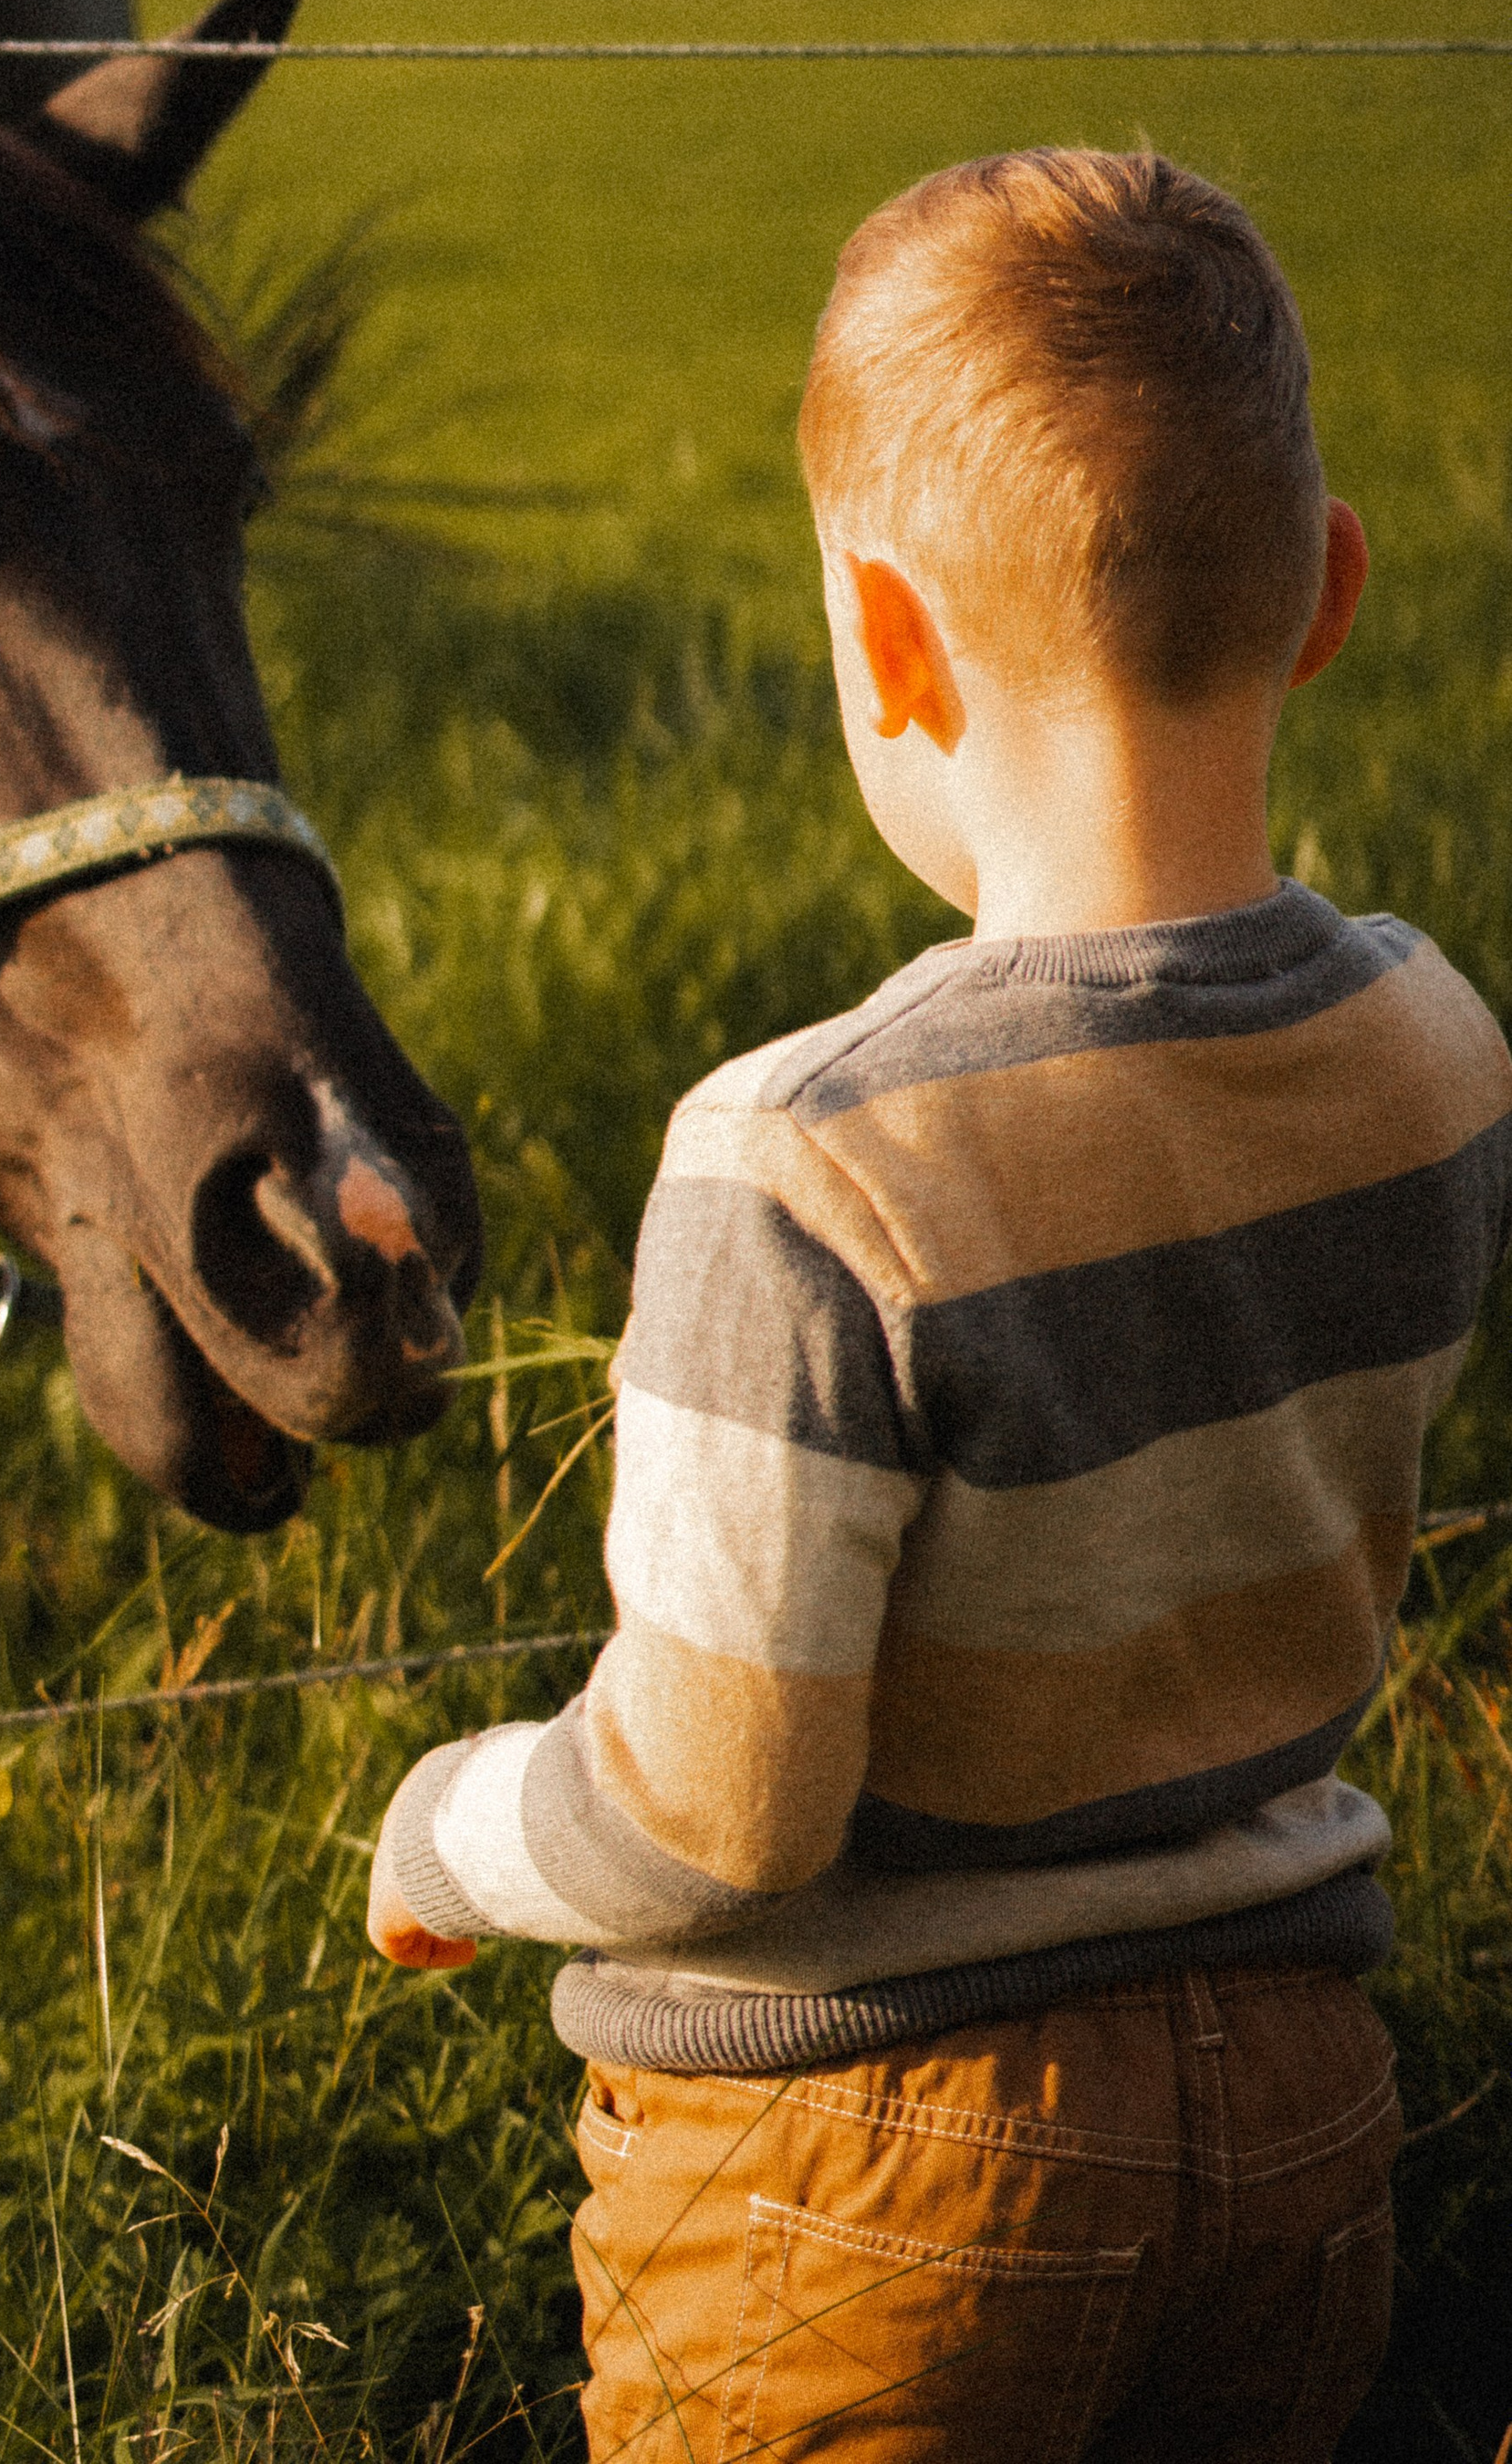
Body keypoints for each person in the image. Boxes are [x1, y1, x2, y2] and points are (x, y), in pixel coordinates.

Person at [367, 148, 1512, 2461]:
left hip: (862, 2170)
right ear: (1327, 592)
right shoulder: (1433, 1049)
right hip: (1302, 2097)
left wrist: (451, 1830)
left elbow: (719, 1818)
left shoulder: (801, 1168)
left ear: (884, 645)